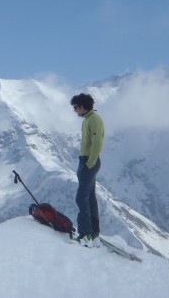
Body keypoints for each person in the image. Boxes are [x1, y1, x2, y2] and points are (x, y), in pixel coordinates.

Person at [70, 93, 104, 247]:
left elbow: (97, 143)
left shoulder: (94, 120)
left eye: (76, 107)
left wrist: (89, 163)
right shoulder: (88, 120)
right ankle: (94, 232)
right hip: (85, 162)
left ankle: (85, 234)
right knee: (90, 198)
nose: (75, 110)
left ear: (83, 106)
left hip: (88, 163)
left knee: (81, 198)